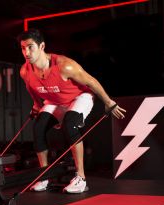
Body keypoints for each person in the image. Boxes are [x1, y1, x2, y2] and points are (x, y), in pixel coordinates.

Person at [17, 28, 126, 193]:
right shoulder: (25, 71)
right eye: (23, 48)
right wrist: (37, 105)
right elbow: (31, 88)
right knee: (38, 127)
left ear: (42, 46)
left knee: (70, 124)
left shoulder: (64, 65)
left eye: (30, 47)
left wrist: (108, 102)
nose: (26, 52)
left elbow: (91, 82)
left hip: (80, 97)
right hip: (56, 100)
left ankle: (80, 178)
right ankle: (44, 176)